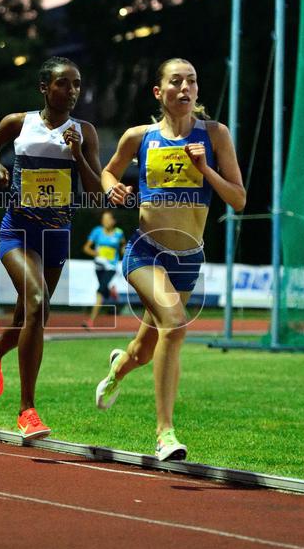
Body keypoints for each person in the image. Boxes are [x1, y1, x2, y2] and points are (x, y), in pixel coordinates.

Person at [96, 58, 245, 461]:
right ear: (158, 92)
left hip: (188, 256)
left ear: (197, 91)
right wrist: (113, 189)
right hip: (145, 251)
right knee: (175, 327)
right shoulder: (139, 136)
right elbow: (107, 172)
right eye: (175, 82)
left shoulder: (215, 135)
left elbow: (238, 198)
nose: (185, 88)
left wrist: (204, 168)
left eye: (192, 81)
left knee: (146, 350)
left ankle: (117, 369)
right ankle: (165, 433)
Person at [0, 57, 103, 439]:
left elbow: (97, 194)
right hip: (17, 230)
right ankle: (27, 410)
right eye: (63, 84)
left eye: (77, 84)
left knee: (30, 312)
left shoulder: (84, 132)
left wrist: (79, 154)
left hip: (56, 236)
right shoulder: (20, 122)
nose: (72, 91)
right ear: (44, 88)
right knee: (36, 302)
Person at [81, 210, 126, 329]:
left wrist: (124, 251)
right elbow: (86, 248)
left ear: (113, 221)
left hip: (111, 267)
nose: (105, 221)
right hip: (99, 266)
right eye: (103, 219)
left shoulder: (119, 233)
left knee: (99, 291)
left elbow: (123, 245)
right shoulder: (97, 231)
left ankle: (90, 321)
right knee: (103, 287)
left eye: (108, 219)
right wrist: (95, 253)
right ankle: (110, 291)